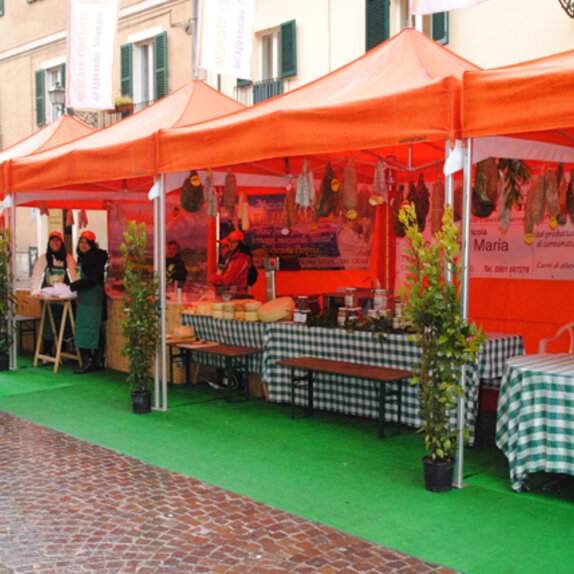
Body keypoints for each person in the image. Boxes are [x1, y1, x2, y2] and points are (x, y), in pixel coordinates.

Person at [31, 231, 77, 359]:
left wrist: (75, 293)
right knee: (48, 325)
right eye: (52, 241)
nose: (55, 243)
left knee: (63, 324)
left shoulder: (68, 258)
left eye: (58, 241)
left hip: (63, 299)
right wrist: (35, 292)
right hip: (47, 299)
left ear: (61, 243)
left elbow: (74, 276)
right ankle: (47, 352)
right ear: (49, 243)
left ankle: (60, 352)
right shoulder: (43, 258)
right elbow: (36, 276)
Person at [69, 230, 108, 374]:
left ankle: (90, 361)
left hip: (91, 298)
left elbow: (92, 280)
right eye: (81, 242)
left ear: (92, 244)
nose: (83, 245)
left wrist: (75, 286)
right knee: (93, 329)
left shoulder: (93, 258)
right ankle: (96, 360)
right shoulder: (84, 258)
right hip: (87, 298)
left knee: (88, 330)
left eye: (86, 242)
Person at [210, 230, 252, 294]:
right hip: (230, 292)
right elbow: (222, 275)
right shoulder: (229, 257)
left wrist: (213, 278)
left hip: (237, 294)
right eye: (229, 241)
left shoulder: (241, 258)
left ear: (240, 243)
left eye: (234, 242)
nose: (231, 244)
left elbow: (228, 279)